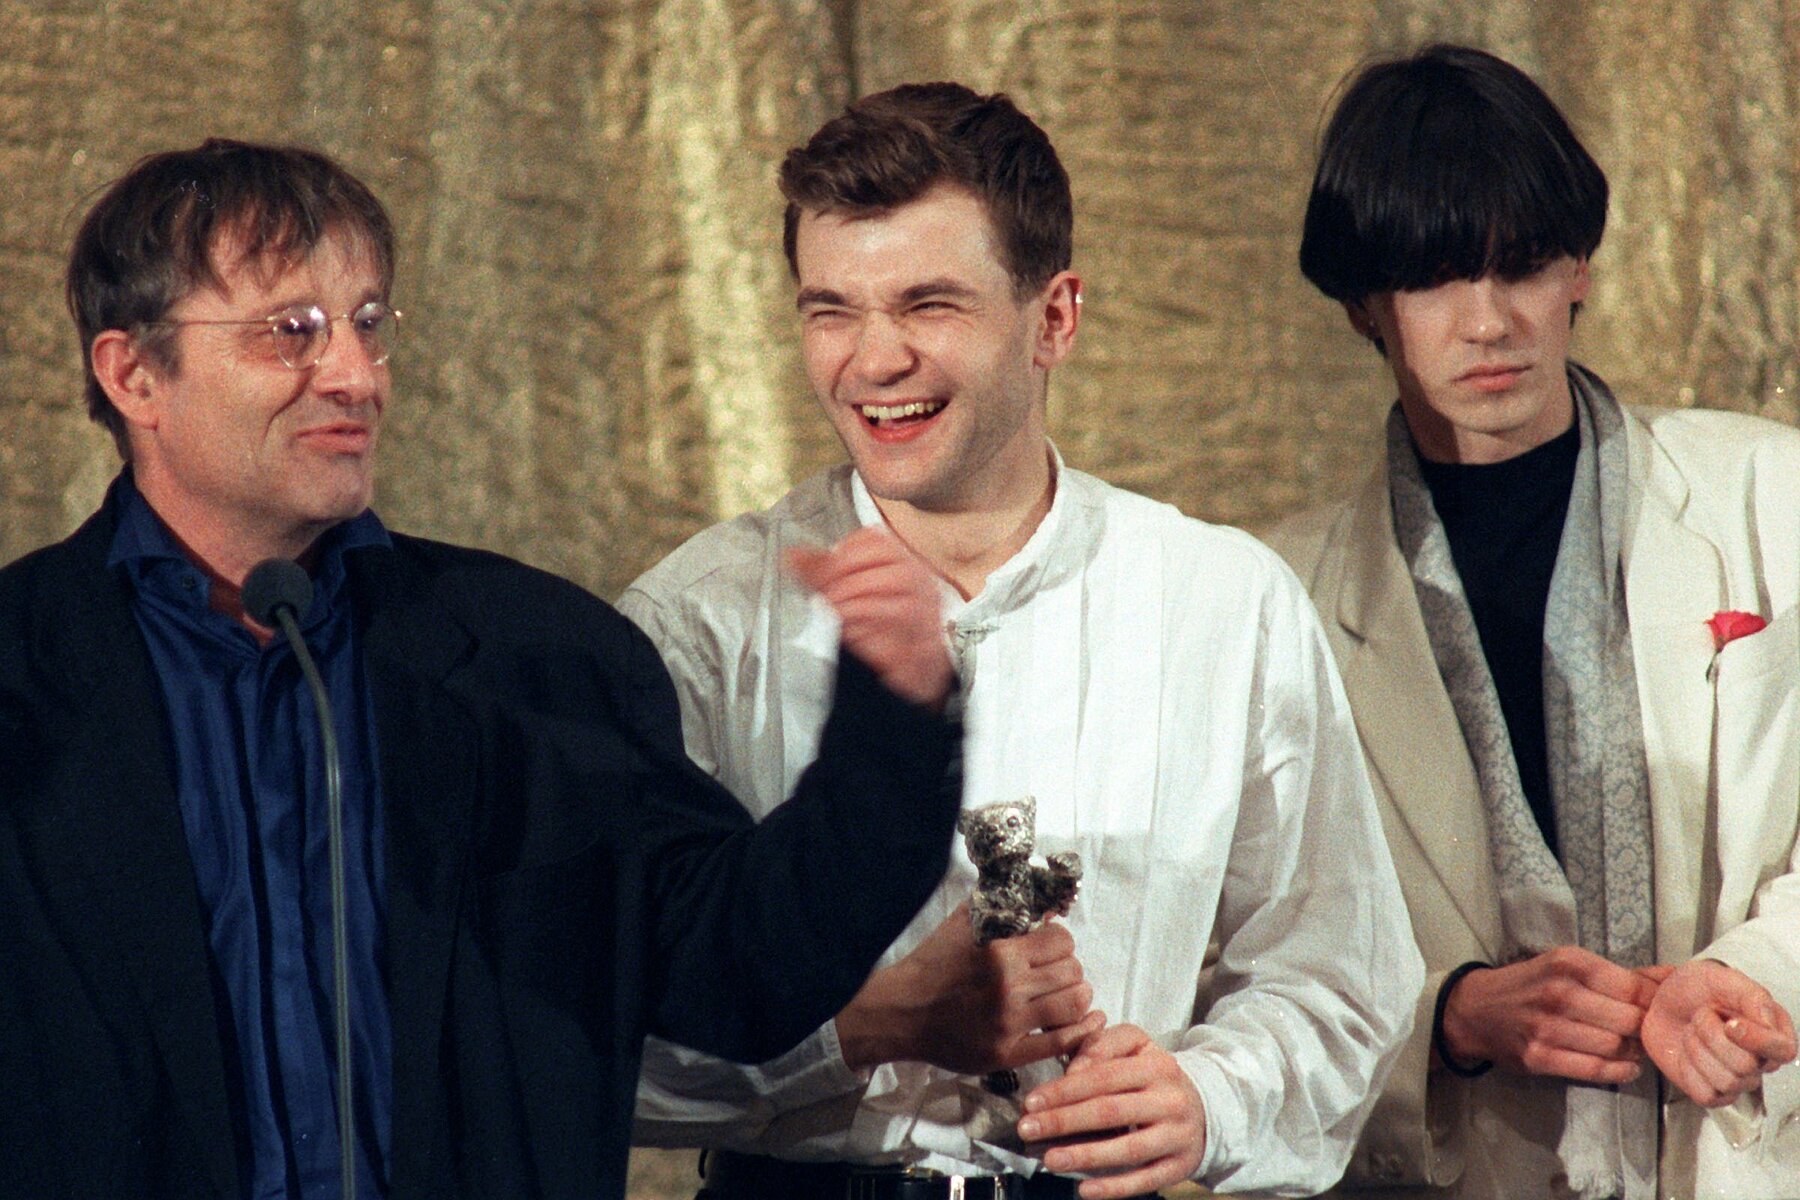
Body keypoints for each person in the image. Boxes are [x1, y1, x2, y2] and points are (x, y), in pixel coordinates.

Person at [0, 138, 967, 1200]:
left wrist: (896, 715)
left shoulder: (538, 657)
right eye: (293, 333)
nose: (357, 377)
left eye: (370, 324)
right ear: (132, 373)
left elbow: (741, 969)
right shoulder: (24, 679)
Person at [625, 82, 1422, 1199]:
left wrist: (1211, 1096)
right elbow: (574, 1029)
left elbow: (1340, 973)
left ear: (1053, 318)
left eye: (929, 304)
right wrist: (858, 1030)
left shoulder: (1222, 603)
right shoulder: (694, 625)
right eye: (831, 309)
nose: (873, 359)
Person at [1268, 43, 1800, 1200]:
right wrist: (1451, 1018)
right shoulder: (1275, 599)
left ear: (1582, 272)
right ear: (1365, 303)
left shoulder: (1773, 495)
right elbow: (1243, 958)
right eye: (1436, 276)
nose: (1490, 320)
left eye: (1523, 265)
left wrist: (1761, 969)